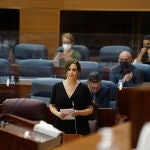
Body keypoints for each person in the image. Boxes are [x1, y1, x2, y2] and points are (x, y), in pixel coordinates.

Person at [49, 59, 93, 135]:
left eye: (74, 70)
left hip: (79, 127)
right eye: (69, 69)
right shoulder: (57, 87)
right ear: (66, 71)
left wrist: (78, 112)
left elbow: (90, 109)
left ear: (78, 72)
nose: (71, 72)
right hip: (61, 125)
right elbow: (51, 106)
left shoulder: (84, 88)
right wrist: (58, 113)